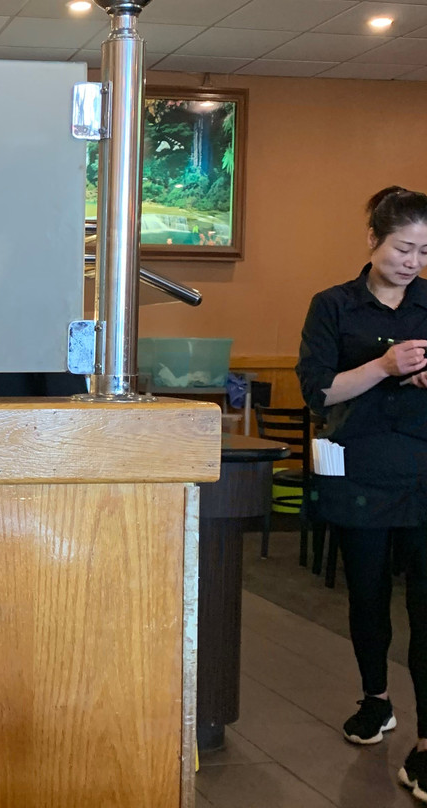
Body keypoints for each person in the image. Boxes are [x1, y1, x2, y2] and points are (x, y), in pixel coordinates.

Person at [296, 186, 427, 802]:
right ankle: (376, 699)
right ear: (373, 240)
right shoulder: (334, 306)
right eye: (403, 248)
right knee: (368, 596)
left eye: (424, 252)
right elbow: (318, 392)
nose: (412, 262)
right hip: (359, 471)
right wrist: (384, 366)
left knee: (425, 607)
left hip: (423, 470)